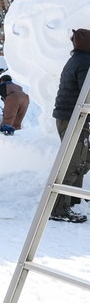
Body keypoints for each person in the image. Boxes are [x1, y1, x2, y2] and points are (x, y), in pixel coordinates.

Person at [49, 28, 90, 223]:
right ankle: (59, 208)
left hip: (70, 117)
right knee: (73, 162)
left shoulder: (77, 59)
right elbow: (87, 93)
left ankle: (72, 198)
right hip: (73, 118)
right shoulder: (85, 61)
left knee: (82, 159)